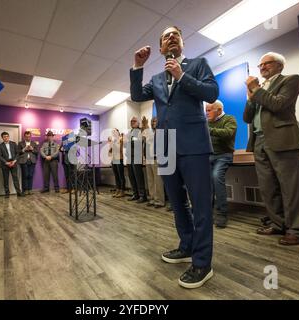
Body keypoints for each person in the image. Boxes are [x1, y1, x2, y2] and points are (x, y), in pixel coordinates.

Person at [130, 26, 219, 288]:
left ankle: (202, 263)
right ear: (159, 49)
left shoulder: (198, 64)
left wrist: (181, 76)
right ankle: (187, 246)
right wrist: (137, 66)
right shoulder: (156, 79)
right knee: (177, 203)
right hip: (166, 145)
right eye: (165, 36)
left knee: (201, 205)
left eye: (175, 35)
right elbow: (137, 96)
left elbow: (212, 94)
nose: (170, 38)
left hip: (194, 144)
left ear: (181, 42)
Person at [244, 52, 299, 245]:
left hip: (282, 139)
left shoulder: (290, 80)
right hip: (259, 142)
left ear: (279, 65)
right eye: (260, 65)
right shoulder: (259, 89)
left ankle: (296, 229)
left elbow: (278, 105)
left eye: (267, 64)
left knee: (290, 187)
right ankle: (278, 224)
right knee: (267, 187)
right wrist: (250, 97)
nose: (262, 67)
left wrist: (256, 89)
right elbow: (247, 118)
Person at [206, 100, 237, 228]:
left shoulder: (229, 119)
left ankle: (222, 213)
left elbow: (229, 134)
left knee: (216, 176)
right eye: (206, 110)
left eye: (209, 110)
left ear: (218, 110)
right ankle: (207, 213)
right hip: (208, 156)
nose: (206, 113)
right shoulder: (207, 123)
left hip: (224, 155)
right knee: (205, 183)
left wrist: (209, 130)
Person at [144, 117, 165, 208]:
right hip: (149, 158)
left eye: (155, 121)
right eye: (152, 121)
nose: (153, 123)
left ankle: (159, 200)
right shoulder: (150, 133)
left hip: (157, 158)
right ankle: (152, 198)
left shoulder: (161, 132)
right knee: (150, 180)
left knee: (158, 181)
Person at [126, 116, 147, 203]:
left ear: (138, 123)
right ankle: (135, 194)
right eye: (131, 121)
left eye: (134, 121)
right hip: (129, 157)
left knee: (138, 177)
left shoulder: (140, 131)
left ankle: (143, 196)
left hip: (137, 157)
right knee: (132, 177)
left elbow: (139, 141)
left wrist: (131, 139)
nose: (132, 122)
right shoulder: (130, 132)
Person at [0, 132, 23, 198]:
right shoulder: (0, 146)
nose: (6, 138)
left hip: (13, 162)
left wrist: (14, 161)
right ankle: (7, 193)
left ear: (8, 137)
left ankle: (19, 192)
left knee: (15, 178)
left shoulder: (13, 144)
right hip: (5, 164)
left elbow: (17, 153)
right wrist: (6, 162)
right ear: (2, 138)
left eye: (7, 136)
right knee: (6, 179)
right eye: (4, 137)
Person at [17, 131, 38, 195]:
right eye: (26, 136)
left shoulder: (34, 143)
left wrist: (32, 149)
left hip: (32, 161)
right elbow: (18, 152)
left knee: (30, 175)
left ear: (30, 136)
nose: (28, 138)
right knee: (25, 175)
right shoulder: (20, 143)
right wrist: (24, 149)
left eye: (29, 136)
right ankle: (25, 190)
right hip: (24, 161)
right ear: (24, 136)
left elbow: (37, 152)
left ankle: (30, 189)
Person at [108, 129, 126, 198]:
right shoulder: (113, 141)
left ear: (118, 132)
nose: (113, 132)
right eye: (112, 131)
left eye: (115, 131)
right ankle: (117, 189)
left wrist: (113, 144)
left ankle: (122, 191)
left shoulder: (120, 139)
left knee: (121, 176)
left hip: (119, 159)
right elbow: (109, 152)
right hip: (114, 159)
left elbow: (119, 148)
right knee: (116, 176)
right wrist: (110, 145)